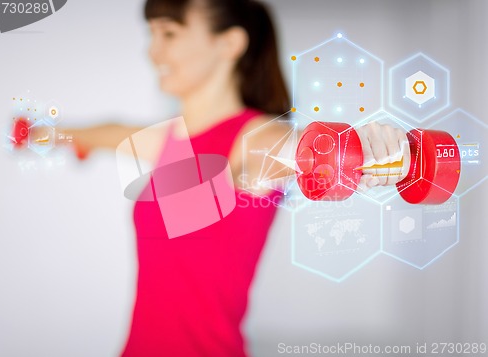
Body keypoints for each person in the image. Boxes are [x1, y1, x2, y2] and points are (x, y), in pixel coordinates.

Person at [59, 0, 409, 355]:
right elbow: (109, 131)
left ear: (229, 44)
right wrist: (48, 135)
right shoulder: (168, 139)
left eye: (168, 33)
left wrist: (373, 147)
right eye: (151, 34)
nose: (152, 51)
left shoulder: (254, 140)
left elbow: (309, 148)